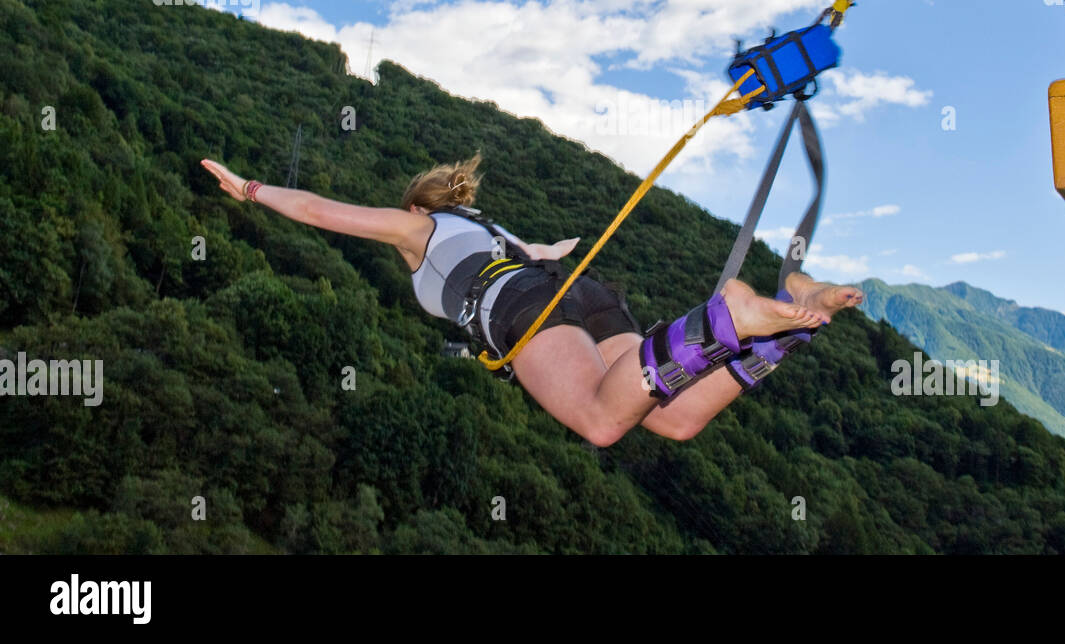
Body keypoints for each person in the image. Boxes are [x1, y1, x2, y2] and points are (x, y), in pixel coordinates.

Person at [200, 152, 864, 446]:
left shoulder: (418, 228)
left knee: (601, 423)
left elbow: (321, 209)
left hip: (523, 309)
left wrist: (250, 190)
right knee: (671, 418)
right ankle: (790, 322)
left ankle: (731, 318)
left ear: (413, 206)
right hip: (574, 295)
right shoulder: (493, 229)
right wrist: (546, 253)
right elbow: (549, 256)